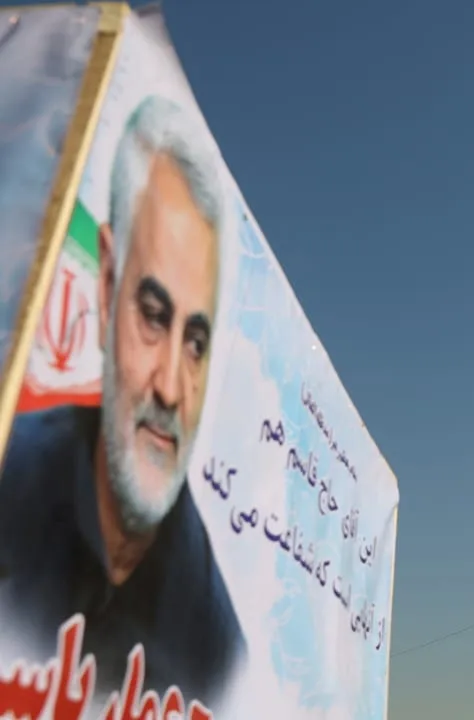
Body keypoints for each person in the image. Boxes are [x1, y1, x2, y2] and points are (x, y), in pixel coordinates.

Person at [0, 94, 245, 708]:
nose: (170, 388)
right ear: (108, 287)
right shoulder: (11, 480)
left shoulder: (219, 658)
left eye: (195, 343)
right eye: (154, 316)